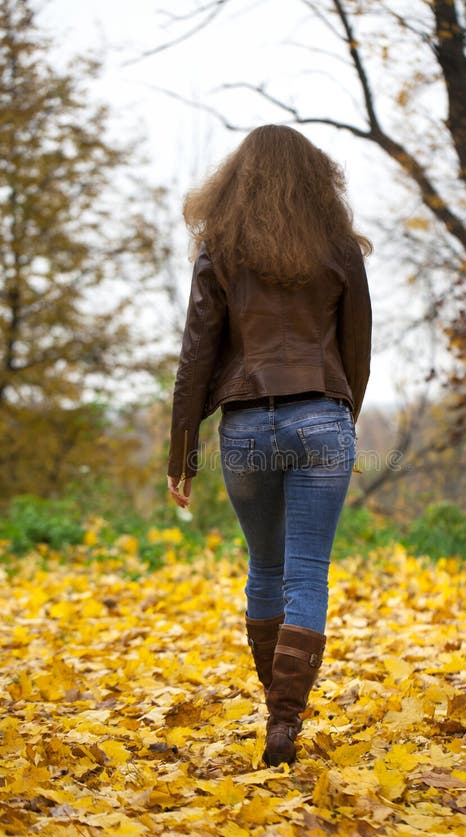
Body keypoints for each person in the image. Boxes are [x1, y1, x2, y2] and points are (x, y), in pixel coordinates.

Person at [167, 124, 372, 766]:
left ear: (237, 180)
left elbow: (196, 356)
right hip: (322, 417)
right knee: (308, 572)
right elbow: (357, 351)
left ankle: (275, 710)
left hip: (248, 425)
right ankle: (286, 723)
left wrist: (183, 456)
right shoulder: (338, 248)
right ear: (317, 182)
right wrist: (341, 418)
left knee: (266, 568)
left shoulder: (220, 249)